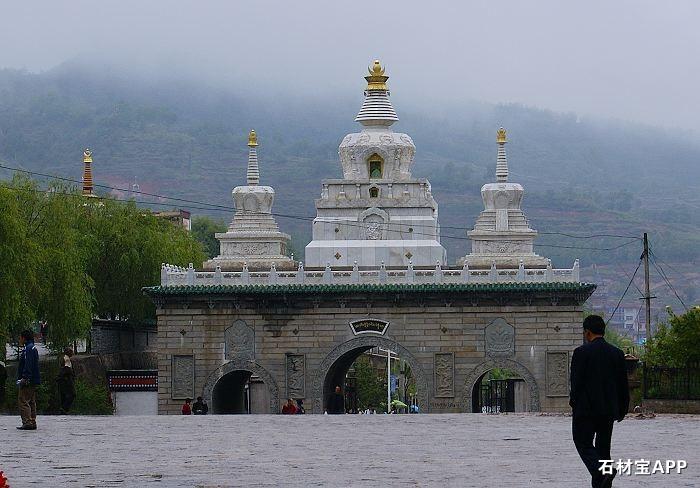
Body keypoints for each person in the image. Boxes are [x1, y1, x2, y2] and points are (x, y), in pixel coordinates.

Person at [570, 315, 630, 488]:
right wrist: (622, 409)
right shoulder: (617, 353)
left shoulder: (581, 353)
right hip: (608, 411)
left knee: (583, 443)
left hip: (586, 410)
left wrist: (574, 402)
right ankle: (603, 484)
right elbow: (622, 384)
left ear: (587, 332)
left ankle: (602, 471)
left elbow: (576, 382)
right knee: (603, 450)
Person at [17, 329, 41, 430]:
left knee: (23, 400)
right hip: (34, 379)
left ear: (23, 338)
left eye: (20, 337)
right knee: (31, 400)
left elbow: (28, 364)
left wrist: (25, 377)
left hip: (28, 379)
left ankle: (27, 421)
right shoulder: (33, 348)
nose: (19, 339)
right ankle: (32, 420)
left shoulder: (28, 349)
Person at [56, 348, 76, 414]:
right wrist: (72, 374)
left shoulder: (63, 358)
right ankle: (64, 408)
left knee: (63, 394)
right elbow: (67, 369)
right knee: (72, 394)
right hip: (66, 379)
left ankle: (62, 408)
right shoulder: (67, 359)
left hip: (61, 379)